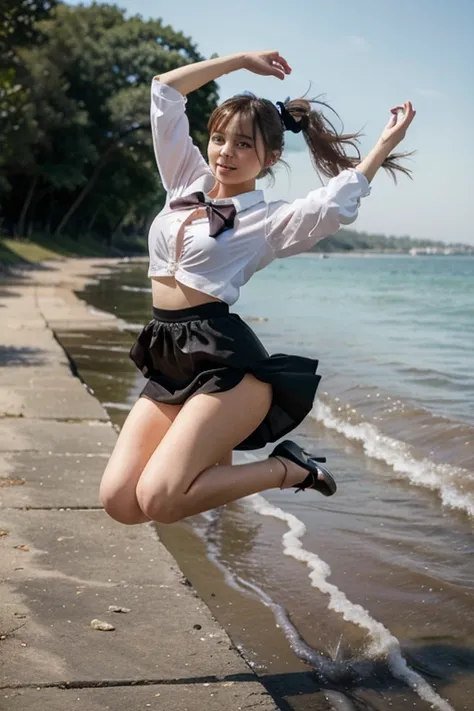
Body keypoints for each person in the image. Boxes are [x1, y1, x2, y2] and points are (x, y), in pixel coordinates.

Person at [99, 50, 416, 526]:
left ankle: (288, 469)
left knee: (161, 500)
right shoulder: (184, 181)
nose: (226, 151)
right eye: (219, 138)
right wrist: (240, 62)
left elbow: (335, 203)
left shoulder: (268, 220)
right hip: (167, 353)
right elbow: (165, 90)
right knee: (121, 503)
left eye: (243, 144)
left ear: (269, 158)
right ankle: (209, 459)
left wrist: (382, 148)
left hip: (227, 368)